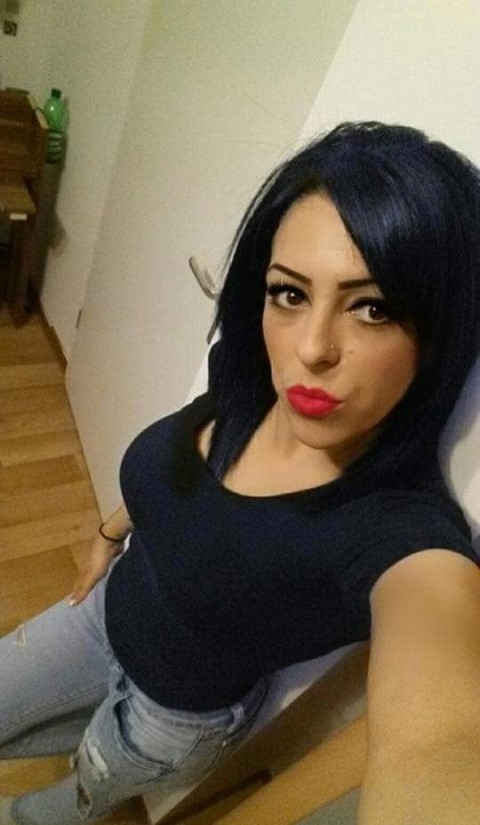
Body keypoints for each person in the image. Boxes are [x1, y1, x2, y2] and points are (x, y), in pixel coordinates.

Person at [1, 120, 480, 825]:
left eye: (373, 308)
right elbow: (177, 482)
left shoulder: (402, 537)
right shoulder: (245, 375)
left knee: (60, 807)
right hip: (104, 614)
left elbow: (442, 740)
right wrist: (109, 533)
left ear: (441, 332)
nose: (311, 349)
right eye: (290, 294)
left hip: (174, 718)